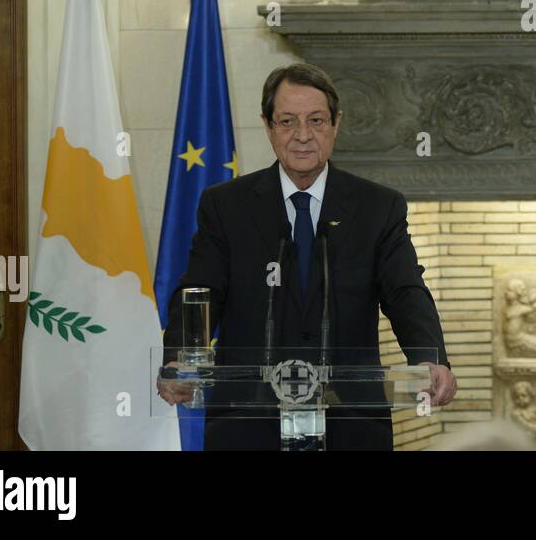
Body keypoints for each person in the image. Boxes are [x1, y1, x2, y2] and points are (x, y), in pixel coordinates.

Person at [157, 63, 456, 449]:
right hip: (248, 421)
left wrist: (430, 357)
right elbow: (201, 292)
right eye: (287, 121)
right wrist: (179, 357)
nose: (302, 136)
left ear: (336, 124)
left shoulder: (377, 207)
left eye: (316, 120)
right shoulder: (226, 206)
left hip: (350, 422)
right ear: (267, 125)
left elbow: (405, 291)